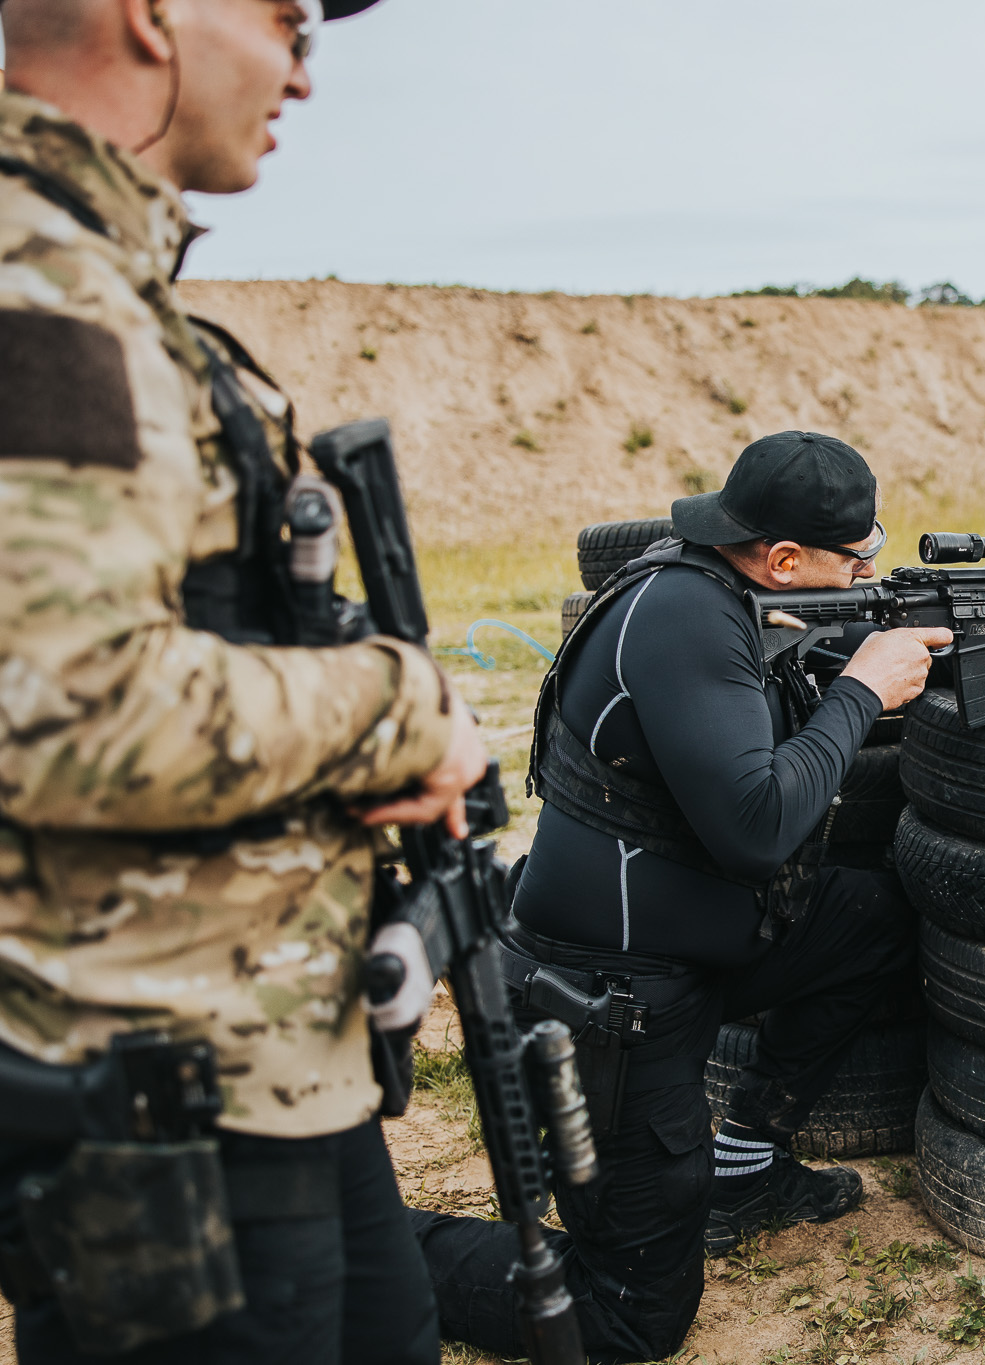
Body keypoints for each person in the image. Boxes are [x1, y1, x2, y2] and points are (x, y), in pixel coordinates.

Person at [0, 2, 490, 1362]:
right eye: (287, 19)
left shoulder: (107, 284)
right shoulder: (34, 284)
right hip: (157, 1087)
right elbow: (61, 708)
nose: (304, 75)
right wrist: (398, 711)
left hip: (266, 1060)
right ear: (151, 14)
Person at [409, 431, 985, 1363]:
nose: (865, 572)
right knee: (629, 1316)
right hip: (612, 997)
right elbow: (758, 822)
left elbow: (861, 644)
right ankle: (367, 1244)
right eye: (853, 559)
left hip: (706, 942)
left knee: (876, 921)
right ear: (782, 558)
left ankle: (747, 1162)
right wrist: (861, 694)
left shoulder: (731, 587)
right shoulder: (681, 618)